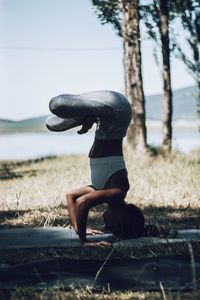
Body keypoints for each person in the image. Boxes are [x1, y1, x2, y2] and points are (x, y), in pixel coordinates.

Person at [46, 91, 145, 247]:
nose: (107, 224)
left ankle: (91, 117)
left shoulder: (102, 189)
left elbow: (71, 196)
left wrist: (79, 229)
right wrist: (84, 242)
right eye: (113, 227)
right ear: (121, 219)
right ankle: (90, 116)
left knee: (52, 124)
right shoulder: (117, 193)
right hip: (117, 110)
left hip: (109, 116)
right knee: (56, 104)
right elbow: (83, 203)